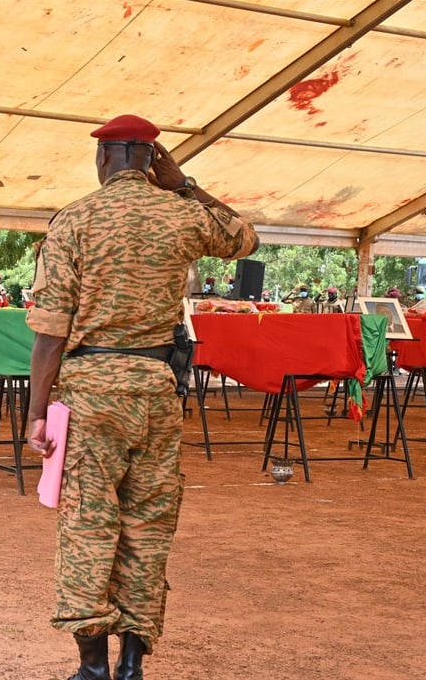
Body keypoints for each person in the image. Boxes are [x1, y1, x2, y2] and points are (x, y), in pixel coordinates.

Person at [26, 113, 259, 680]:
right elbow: (244, 239)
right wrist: (183, 184)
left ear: (104, 157)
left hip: (91, 394)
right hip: (157, 391)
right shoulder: (181, 212)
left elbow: (51, 330)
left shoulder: (75, 220)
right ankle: (132, 661)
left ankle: (91, 667)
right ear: (151, 158)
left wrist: (36, 413)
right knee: (149, 524)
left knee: (88, 525)